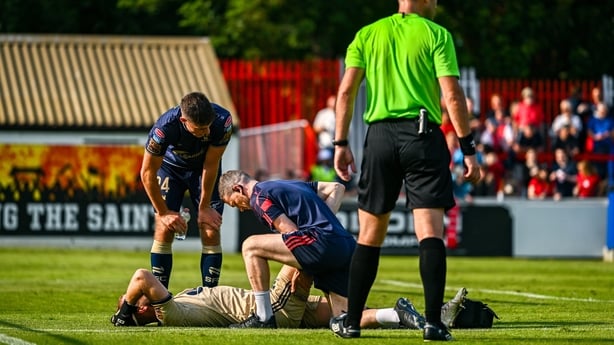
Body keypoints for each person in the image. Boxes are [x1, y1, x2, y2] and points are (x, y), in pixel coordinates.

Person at [330, 0, 482, 342]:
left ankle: (351, 322)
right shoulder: (436, 34)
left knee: (369, 235)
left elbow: (346, 92)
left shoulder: (368, 34)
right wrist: (468, 148)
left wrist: (340, 144)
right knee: (429, 231)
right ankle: (432, 324)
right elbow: (452, 95)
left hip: (379, 137)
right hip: (423, 133)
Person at [217, 170, 356, 328]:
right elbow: (336, 187)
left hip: (321, 245)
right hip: (345, 244)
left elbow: (290, 231)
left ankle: (263, 317)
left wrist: (300, 265)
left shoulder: (258, 197)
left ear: (238, 189)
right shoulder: (289, 183)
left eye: (235, 204)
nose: (241, 209)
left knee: (250, 246)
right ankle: (390, 315)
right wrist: (324, 222)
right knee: (343, 320)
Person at [110, 264, 433, 331]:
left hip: (280, 309)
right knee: (305, 250)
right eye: (136, 300)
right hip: (272, 310)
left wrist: (129, 310)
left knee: (348, 314)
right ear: (143, 307)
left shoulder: (175, 306)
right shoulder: (170, 315)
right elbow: (140, 276)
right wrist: (124, 311)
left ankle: (404, 316)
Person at [140, 92, 233, 289]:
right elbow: (147, 173)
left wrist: (205, 206)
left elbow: (211, 163)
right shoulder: (164, 129)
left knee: (210, 228)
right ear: (184, 120)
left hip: (203, 170)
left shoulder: (223, 120)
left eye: (208, 126)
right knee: (164, 228)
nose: (207, 132)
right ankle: (161, 295)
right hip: (170, 170)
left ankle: (211, 297)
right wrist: (163, 213)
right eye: (200, 129)